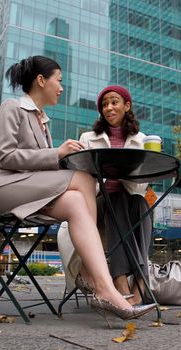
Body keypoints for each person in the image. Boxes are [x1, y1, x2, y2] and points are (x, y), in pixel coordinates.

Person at [0, 56, 156, 324]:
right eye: (58, 80)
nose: (61, 87)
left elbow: (44, 171)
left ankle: (103, 287)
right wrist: (57, 153)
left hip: (30, 193)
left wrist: (59, 158)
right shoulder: (12, 107)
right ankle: (98, 280)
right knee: (83, 179)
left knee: (75, 202)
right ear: (41, 80)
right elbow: (5, 156)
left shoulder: (43, 123)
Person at [58, 85, 152, 306]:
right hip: (95, 207)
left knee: (141, 202)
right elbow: (79, 176)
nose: (109, 108)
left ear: (126, 106)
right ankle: (121, 282)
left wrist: (122, 172)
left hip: (127, 205)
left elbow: (140, 187)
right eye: (104, 104)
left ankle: (139, 281)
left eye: (114, 102)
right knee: (115, 199)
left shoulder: (142, 140)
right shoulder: (88, 138)